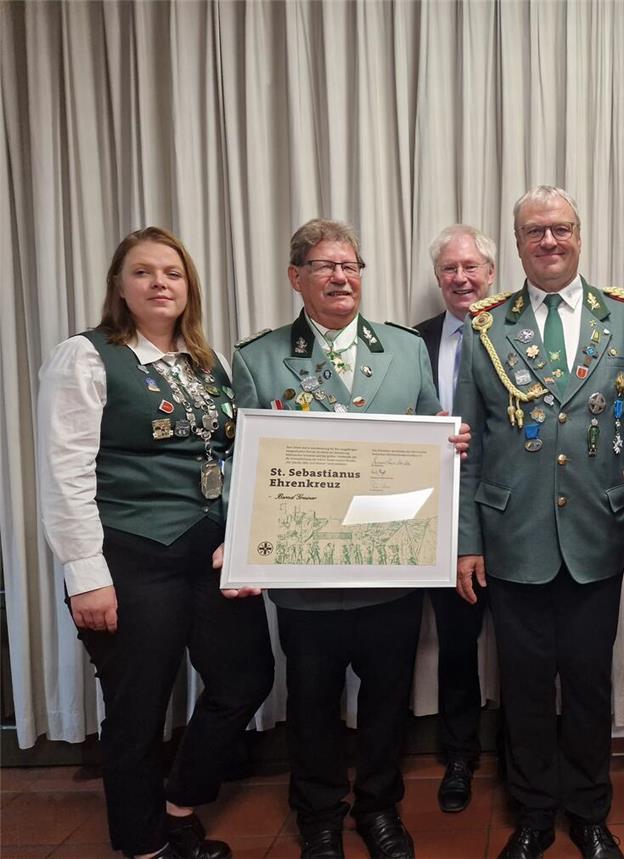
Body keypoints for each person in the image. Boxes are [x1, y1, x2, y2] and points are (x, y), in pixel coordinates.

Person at [231, 218, 469, 859]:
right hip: (307, 580)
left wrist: (450, 447)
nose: (342, 278)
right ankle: (318, 816)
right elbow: (243, 468)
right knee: (311, 704)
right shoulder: (258, 358)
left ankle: (379, 808)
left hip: (391, 568)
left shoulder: (404, 349)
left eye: (352, 266)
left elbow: (432, 443)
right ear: (296, 279)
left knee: (388, 701)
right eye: (326, 267)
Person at [36, 227, 275, 859]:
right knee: (139, 710)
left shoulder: (207, 363)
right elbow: (64, 471)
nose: (160, 283)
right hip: (131, 556)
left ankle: (177, 803)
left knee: (245, 679)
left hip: (209, 553)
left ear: (189, 286)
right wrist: (85, 573)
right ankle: (145, 846)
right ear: (120, 285)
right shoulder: (86, 357)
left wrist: (246, 538)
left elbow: (236, 456)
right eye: (143, 272)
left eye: (172, 272)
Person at [454, 186, 624, 859]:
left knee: (588, 680)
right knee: (522, 681)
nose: (550, 240)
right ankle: (535, 811)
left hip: (597, 533)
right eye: (535, 230)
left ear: (580, 234)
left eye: (562, 228)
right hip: (511, 535)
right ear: (516, 243)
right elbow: (470, 444)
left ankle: (590, 810)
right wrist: (465, 542)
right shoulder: (486, 324)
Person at [413, 224, 497, 813]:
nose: (461, 279)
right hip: (442, 518)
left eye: (471, 267)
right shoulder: (411, 343)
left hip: (516, 517)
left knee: (524, 646)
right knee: (458, 644)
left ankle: (525, 754)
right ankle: (459, 754)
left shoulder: (518, 334)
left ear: (491, 274)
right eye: (449, 269)